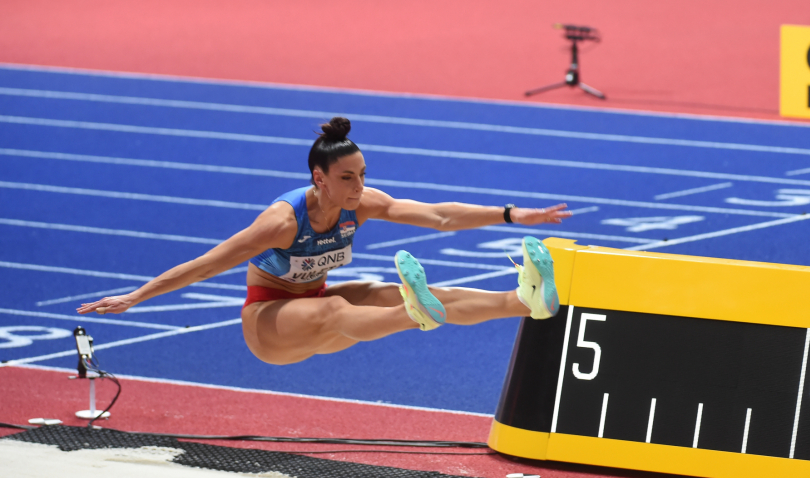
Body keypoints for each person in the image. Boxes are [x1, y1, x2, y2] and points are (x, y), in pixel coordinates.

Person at [77, 117, 571, 365]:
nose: (359, 187)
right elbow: (209, 264)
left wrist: (510, 214)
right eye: (348, 178)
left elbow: (439, 216)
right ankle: (412, 314)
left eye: (363, 175)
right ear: (320, 177)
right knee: (346, 309)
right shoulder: (281, 222)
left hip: (316, 304)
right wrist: (138, 295)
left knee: (382, 289)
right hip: (268, 327)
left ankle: (524, 301)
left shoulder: (361, 202)